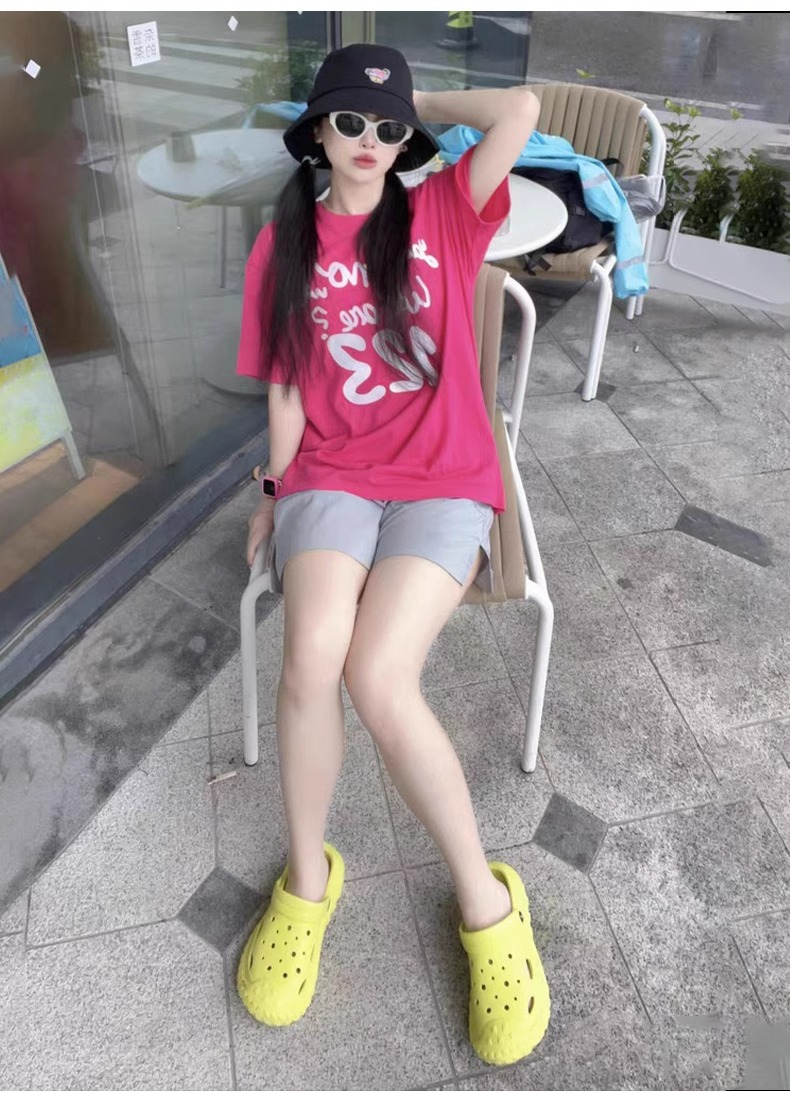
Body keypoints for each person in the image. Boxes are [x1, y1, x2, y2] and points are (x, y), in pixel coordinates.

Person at [235, 43, 548, 1068]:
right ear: (316, 133)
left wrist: (410, 98)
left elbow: (519, 107)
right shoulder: (281, 243)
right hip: (331, 472)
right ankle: (307, 882)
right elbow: (288, 388)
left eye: (387, 128)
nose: (369, 142)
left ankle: (487, 903)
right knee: (310, 656)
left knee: (377, 675)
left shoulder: (445, 208)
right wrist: (272, 492)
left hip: (443, 479)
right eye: (349, 121)